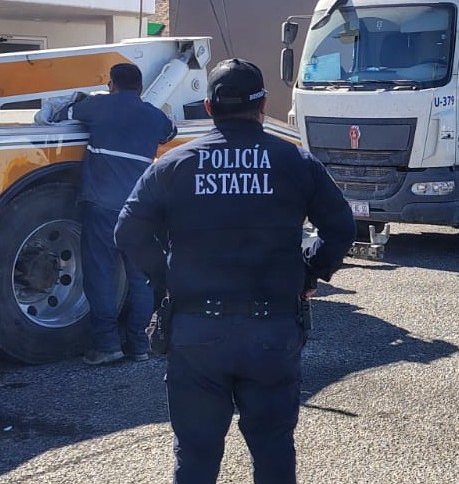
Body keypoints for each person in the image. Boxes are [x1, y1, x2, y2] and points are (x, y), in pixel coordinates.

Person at [115, 58, 354, 484]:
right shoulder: (296, 163)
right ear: (262, 105)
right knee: (273, 449)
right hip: (271, 332)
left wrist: (164, 276)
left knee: (196, 455)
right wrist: (309, 273)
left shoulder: (174, 165)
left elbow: (129, 229)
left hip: (196, 334)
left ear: (208, 106)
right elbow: (340, 228)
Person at [55, 62, 176, 365]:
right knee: (139, 277)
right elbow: (170, 131)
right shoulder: (152, 115)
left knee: (101, 274)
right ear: (140, 87)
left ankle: (106, 344)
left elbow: (61, 115)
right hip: (139, 209)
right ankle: (139, 345)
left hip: (103, 206)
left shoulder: (99, 106)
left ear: (112, 85)